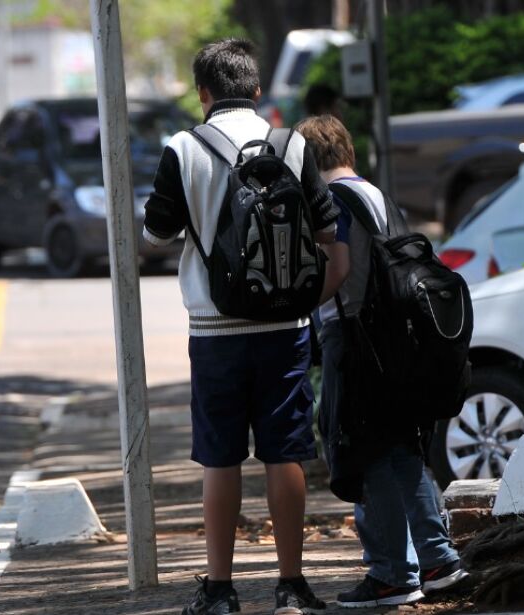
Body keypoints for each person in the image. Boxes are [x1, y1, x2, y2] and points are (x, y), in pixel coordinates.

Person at [142, 39, 339, 615]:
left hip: (215, 327)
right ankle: (292, 586)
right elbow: (327, 233)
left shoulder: (183, 147)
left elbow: (156, 236)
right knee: (286, 454)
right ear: (256, 91)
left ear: (203, 94)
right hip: (286, 327)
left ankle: (222, 590)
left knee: (220, 458)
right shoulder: (292, 144)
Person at [295, 114, 469, 608]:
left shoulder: (331, 200)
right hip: (395, 340)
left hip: (354, 337)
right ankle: (436, 559)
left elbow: (340, 266)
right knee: (400, 449)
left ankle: (393, 572)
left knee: (363, 450)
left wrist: (303, 303)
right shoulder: (377, 193)